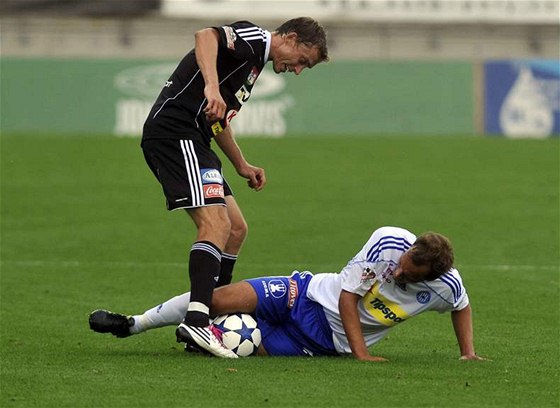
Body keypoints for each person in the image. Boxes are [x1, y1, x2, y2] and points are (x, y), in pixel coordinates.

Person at [140, 18, 329, 357]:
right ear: (291, 37)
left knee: (236, 228)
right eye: (303, 61)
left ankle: (213, 313)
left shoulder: (253, 66)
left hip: (197, 140)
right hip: (174, 133)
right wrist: (210, 86)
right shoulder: (255, 38)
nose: (298, 71)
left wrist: (241, 163)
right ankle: (198, 321)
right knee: (215, 224)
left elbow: (219, 119)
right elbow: (205, 36)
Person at [89, 226, 485, 361]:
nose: (398, 268)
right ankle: (133, 324)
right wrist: (363, 355)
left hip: (321, 341)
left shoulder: (444, 285)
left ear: (428, 278)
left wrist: (466, 351)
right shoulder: (389, 243)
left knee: (245, 343)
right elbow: (348, 297)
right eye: (403, 260)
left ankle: (204, 339)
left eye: (407, 273)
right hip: (306, 292)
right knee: (218, 296)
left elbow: (461, 305)